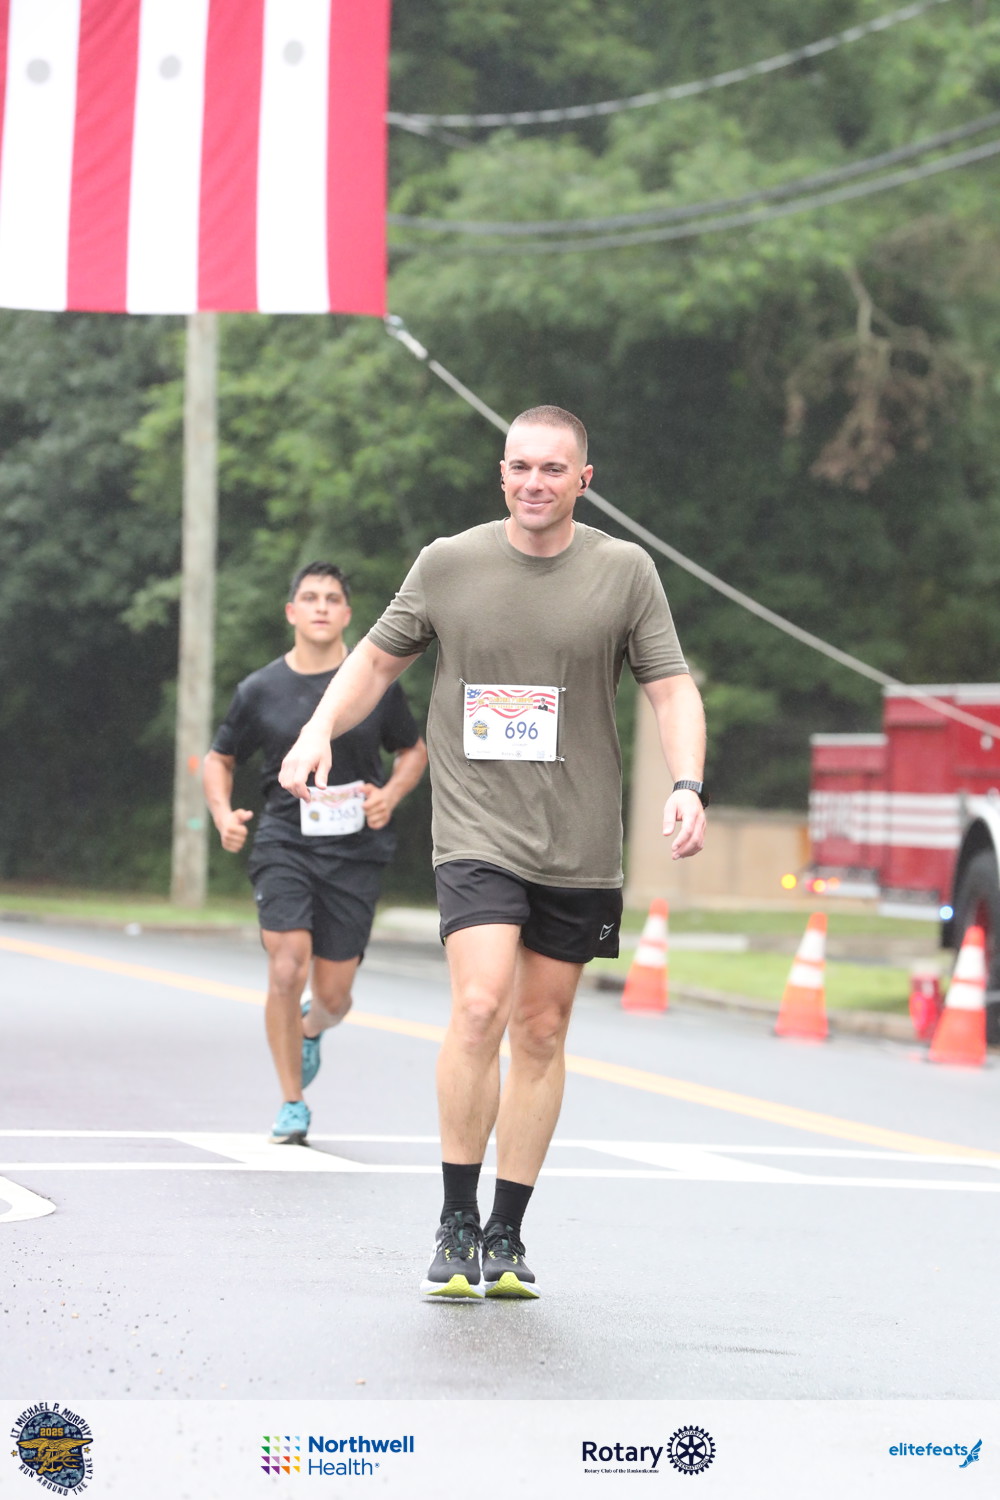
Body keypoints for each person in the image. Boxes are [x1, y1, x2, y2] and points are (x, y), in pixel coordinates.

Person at [278, 410, 706, 1298]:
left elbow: (670, 689)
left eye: (553, 469)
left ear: (584, 479)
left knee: (541, 1028)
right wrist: (318, 728)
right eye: (520, 467)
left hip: (579, 838)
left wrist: (687, 783)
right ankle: (455, 1219)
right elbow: (375, 663)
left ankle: (507, 1231)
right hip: (475, 829)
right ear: (500, 473)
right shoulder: (449, 563)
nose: (534, 483)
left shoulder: (625, 571)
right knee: (479, 1006)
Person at [203, 561, 427, 1146]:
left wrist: (390, 794)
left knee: (333, 995)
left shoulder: (374, 684)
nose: (321, 606)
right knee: (286, 965)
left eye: (332, 598)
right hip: (285, 840)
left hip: (354, 851)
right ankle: (292, 1103)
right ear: (291, 612)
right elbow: (219, 758)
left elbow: (413, 750)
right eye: (310, 597)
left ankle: (310, 1028)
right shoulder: (260, 689)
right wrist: (223, 814)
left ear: (348, 614)